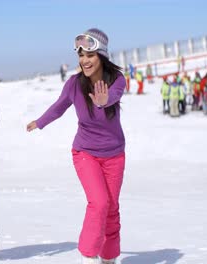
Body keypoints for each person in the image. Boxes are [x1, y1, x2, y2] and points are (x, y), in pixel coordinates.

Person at [27, 28, 126, 264]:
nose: (84, 61)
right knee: (99, 203)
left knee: (111, 209)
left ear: (101, 55)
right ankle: (89, 257)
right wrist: (40, 122)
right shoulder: (73, 84)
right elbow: (59, 107)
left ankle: (109, 258)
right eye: (81, 55)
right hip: (85, 153)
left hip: (114, 155)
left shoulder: (117, 80)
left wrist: (104, 100)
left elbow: (113, 95)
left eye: (89, 55)